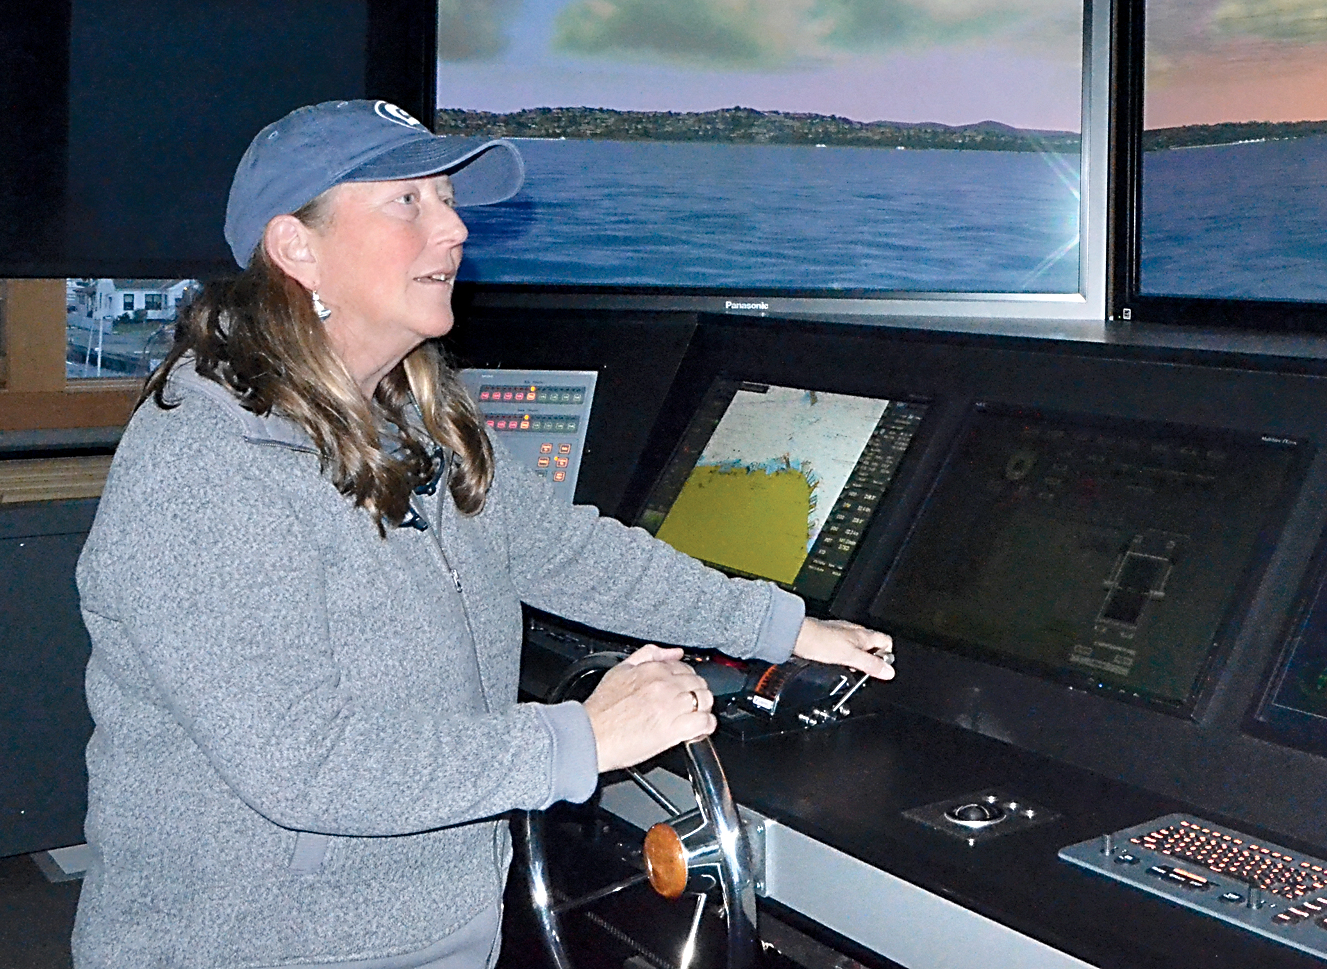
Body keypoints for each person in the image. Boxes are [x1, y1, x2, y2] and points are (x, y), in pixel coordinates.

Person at [72, 99, 894, 969]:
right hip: (261, 942)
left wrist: (781, 626)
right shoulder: (206, 466)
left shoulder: (409, 418)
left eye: (448, 201)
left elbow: (562, 550)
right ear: (296, 246)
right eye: (409, 203)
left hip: (431, 915)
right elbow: (304, 763)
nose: (455, 228)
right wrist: (583, 738)